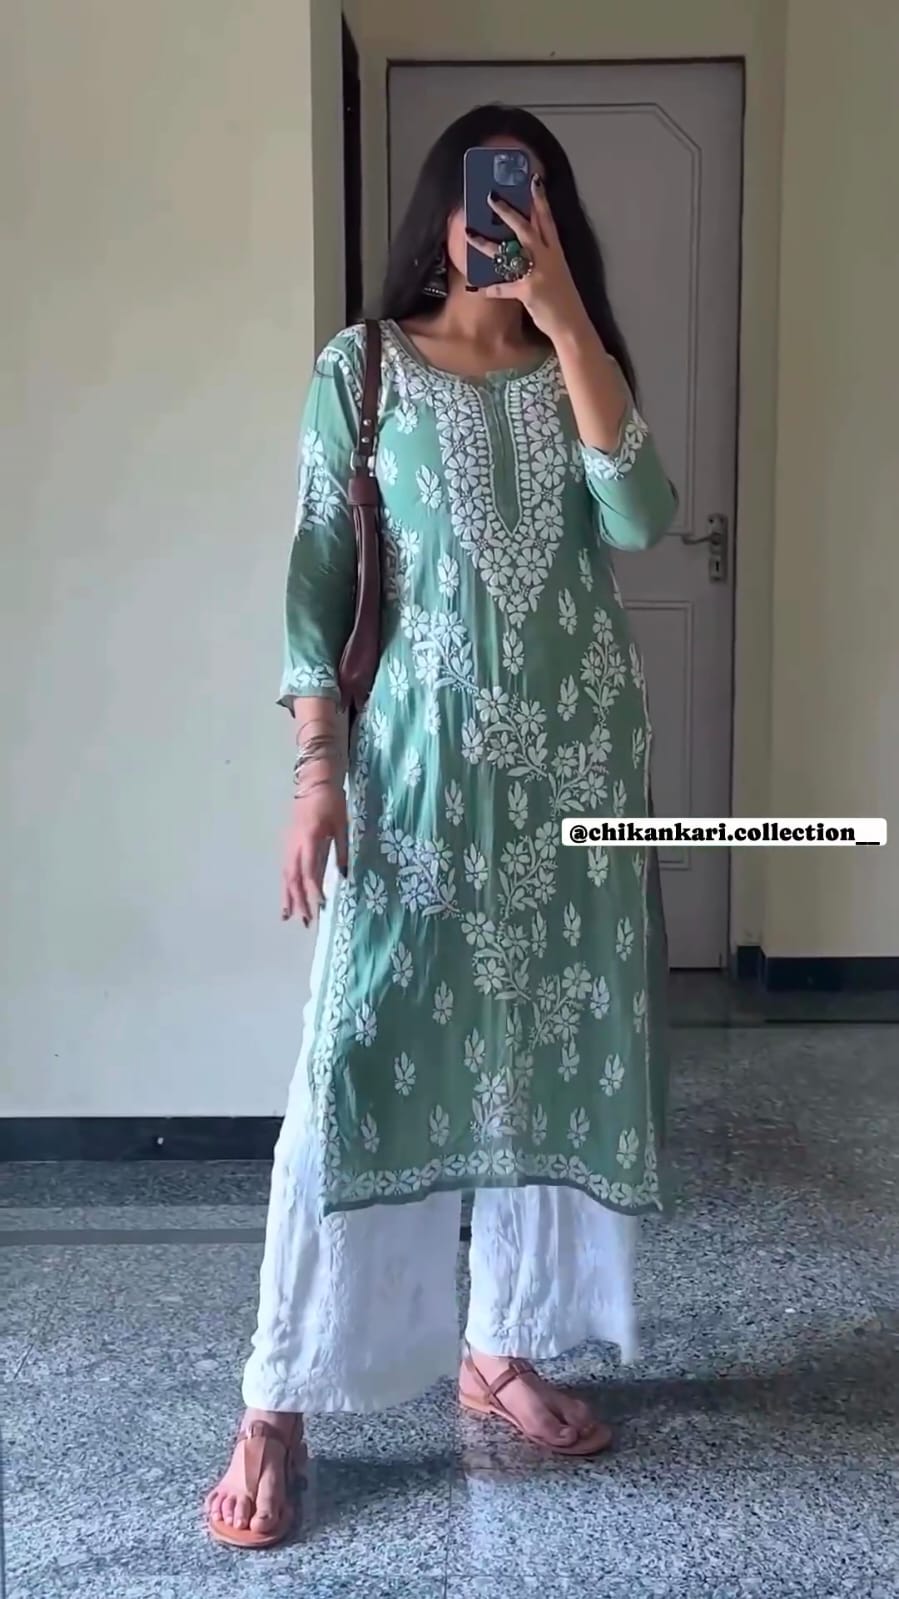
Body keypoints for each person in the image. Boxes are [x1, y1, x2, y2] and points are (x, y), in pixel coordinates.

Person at [205, 103, 676, 1550]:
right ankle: (277, 1399)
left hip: (573, 788)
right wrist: (317, 772)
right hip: (415, 785)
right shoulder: (362, 370)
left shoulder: (580, 366)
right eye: (491, 194)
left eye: (533, 198)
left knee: (535, 1060)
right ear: (444, 207)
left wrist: (568, 317)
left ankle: (500, 1345)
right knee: (350, 1064)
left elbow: (642, 518)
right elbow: (318, 571)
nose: (508, 218)